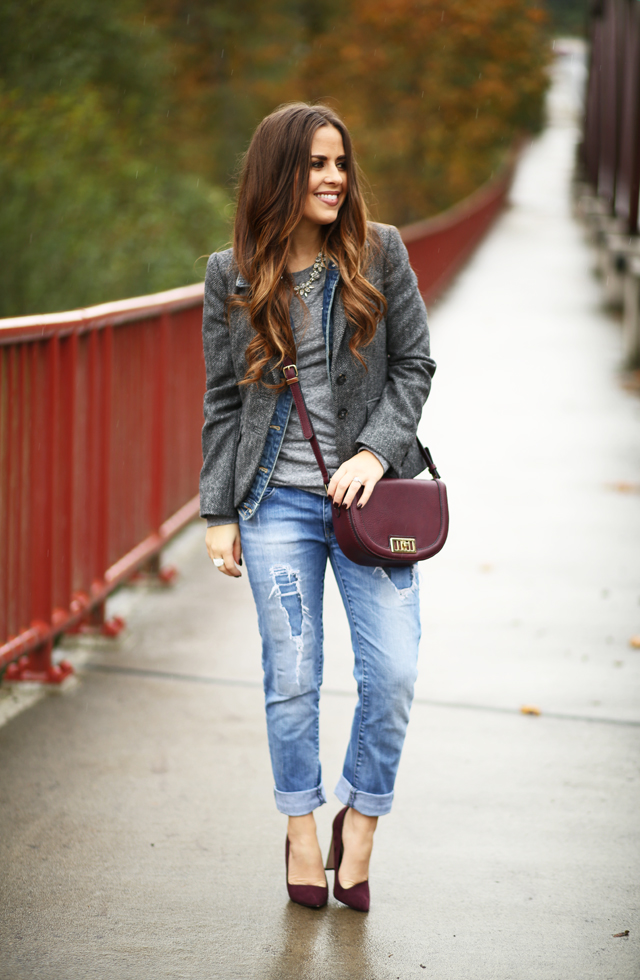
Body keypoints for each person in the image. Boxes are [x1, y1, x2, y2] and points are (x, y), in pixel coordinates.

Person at [200, 103, 436, 911]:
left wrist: (374, 450)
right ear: (279, 174)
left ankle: (361, 818)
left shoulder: (380, 253)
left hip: (371, 509)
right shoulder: (229, 274)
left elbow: (415, 364)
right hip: (274, 505)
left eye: (341, 162)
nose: (335, 177)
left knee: (395, 672)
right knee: (292, 679)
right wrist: (217, 511)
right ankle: (301, 827)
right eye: (316, 164)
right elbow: (222, 404)